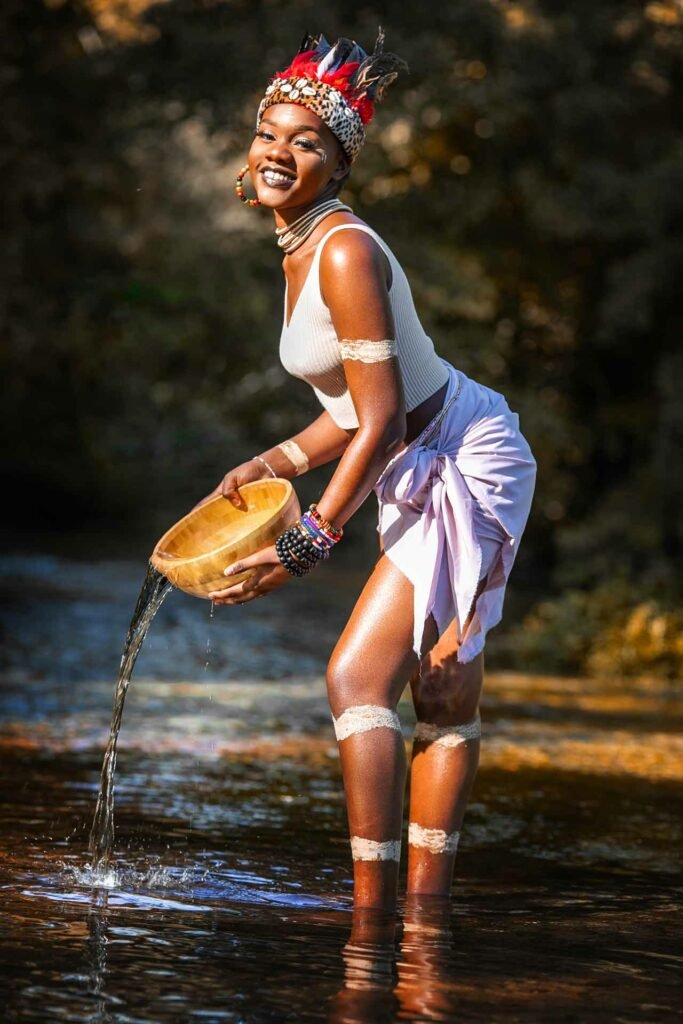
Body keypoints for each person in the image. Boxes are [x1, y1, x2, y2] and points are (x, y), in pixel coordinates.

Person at [198, 29, 537, 911]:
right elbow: (351, 408)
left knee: (377, 679)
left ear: (338, 163)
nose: (279, 153)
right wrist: (269, 461)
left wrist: (309, 541)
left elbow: (382, 417)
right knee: (434, 686)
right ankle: (406, 918)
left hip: (466, 455)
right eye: (269, 134)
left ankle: (387, 917)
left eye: (306, 142)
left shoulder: (344, 250)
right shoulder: (298, 245)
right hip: (414, 456)